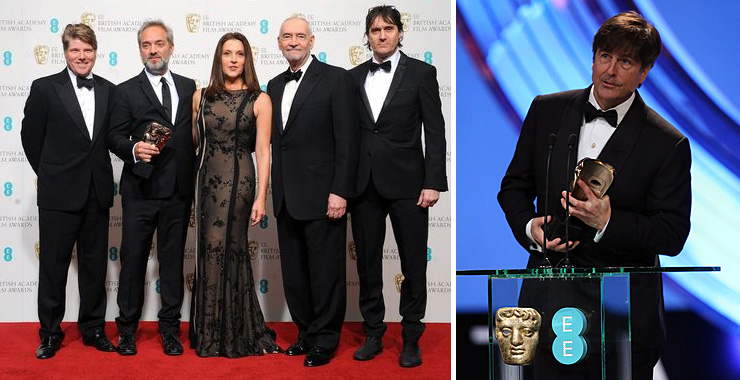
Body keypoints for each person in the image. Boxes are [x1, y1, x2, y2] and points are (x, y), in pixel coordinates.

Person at [497, 11, 691, 380]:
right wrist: (529, 227)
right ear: (593, 58)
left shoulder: (667, 143)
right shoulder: (547, 110)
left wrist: (608, 221)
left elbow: (672, 233)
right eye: (605, 56)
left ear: (644, 71)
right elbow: (514, 188)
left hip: (622, 315)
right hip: (548, 301)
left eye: (625, 61)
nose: (610, 70)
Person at [348, 5, 448, 368]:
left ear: (400, 32)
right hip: (363, 185)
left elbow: (435, 132)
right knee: (368, 265)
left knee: (413, 264)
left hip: (409, 184)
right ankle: (373, 332)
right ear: (368, 36)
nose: (382, 35)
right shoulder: (353, 77)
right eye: (375, 30)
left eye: (388, 28)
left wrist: (433, 181)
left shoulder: (422, 73)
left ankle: (410, 337)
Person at [266, 16, 359, 367]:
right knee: (295, 273)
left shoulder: (337, 79)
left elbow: (348, 140)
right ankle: (305, 333)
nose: (293, 41)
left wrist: (340, 191)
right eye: (287, 36)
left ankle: (325, 339)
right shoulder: (273, 85)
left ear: (312, 40)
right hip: (287, 195)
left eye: (300, 36)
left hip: (324, 196)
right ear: (278, 42)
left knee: (325, 273)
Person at [21, 23, 117, 359]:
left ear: (95, 52)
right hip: (58, 194)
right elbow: (31, 138)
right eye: (75, 50)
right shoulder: (45, 88)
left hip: (97, 193)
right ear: (65, 52)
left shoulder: (109, 90)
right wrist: (51, 173)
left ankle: (93, 329)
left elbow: (112, 139)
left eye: (87, 50)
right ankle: (49, 333)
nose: (82, 56)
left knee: (94, 268)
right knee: (53, 267)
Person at [189, 32, 281, 358]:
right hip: (206, 184)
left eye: (239, 54)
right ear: (219, 57)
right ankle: (210, 334)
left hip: (240, 183)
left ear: (246, 59)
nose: (232, 59)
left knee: (231, 249)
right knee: (209, 250)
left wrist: (260, 197)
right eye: (227, 53)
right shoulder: (200, 97)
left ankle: (233, 334)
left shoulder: (261, 99)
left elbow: (263, 152)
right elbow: (195, 145)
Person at [108, 19, 196, 356]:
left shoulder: (190, 87)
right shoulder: (125, 90)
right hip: (140, 190)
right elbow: (113, 136)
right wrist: (132, 148)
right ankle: (127, 330)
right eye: (146, 44)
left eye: (159, 43)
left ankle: (170, 330)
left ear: (171, 47)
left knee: (172, 263)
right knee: (133, 262)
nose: (153, 50)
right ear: (140, 49)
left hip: (177, 191)